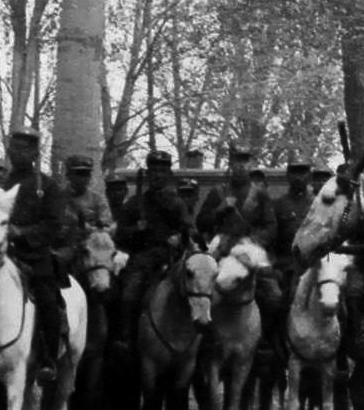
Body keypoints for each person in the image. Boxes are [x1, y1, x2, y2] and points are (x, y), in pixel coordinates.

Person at [111, 150, 193, 356]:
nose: (157, 175)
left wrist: (179, 238)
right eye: (153, 170)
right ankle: (126, 339)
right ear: (148, 174)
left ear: (168, 174)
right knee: (129, 294)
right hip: (143, 259)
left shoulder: (177, 203)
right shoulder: (134, 204)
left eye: (162, 171)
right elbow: (120, 236)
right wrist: (136, 230)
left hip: (171, 258)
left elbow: (189, 230)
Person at [3, 127, 68, 384]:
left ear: (34, 152)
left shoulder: (48, 186)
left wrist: (21, 232)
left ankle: (48, 360)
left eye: (25, 148)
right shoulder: (0, 185)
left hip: (33, 257)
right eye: (14, 148)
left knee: (48, 303)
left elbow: (54, 225)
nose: (18, 153)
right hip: (1, 256)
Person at [196, 143, 282, 316]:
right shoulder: (218, 192)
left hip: (250, 251)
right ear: (231, 164)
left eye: (246, 161)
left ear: (252, 165)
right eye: (237, 161)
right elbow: (201, 222)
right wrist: (219, 209)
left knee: (274, 296)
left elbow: (271, 227)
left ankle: (268, 340)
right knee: (201, 291)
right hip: (221, 249)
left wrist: (253, 240)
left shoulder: (260, 195)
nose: (242, 165)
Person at [58, 154, 113, 281]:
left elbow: (106, 222)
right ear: (69, 175)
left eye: (86, 174)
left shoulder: (98, 199)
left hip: (94, 246)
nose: (83, 178)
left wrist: (92, 228)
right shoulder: (58, 198)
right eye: (79, 173)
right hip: (66, 245)